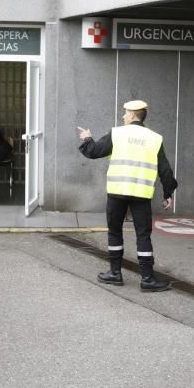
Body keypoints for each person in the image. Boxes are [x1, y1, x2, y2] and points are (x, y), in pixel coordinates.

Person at [77, 99, 177, 292]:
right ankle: (147, 279)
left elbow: (94, 151)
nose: (123, 116)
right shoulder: (155, 138)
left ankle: (115, 273)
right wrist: (168, 193)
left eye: (125, 113)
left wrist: (87, 138)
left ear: (132, 115)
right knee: (143, 235)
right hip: (141, 195)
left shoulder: (117, 133)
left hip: (117, 193)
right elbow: (165, 169)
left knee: (115, 231)